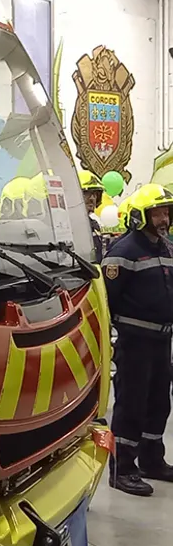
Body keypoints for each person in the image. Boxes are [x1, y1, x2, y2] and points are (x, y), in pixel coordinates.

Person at [102, 183, 173, 495]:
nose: (163, 218)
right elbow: (108, 301)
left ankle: (152, 460)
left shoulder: (166, 247)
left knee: (159, 402)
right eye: (157, 212)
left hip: (161, 341)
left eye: (166, 212)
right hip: (135, 342)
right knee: (131, 403)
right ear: (139, 217)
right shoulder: (122, 253)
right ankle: (122, 469)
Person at [79, 170, 105, 260]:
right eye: (87, 193)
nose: (92, 198)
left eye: (95, 194)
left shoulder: (94, 225)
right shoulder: (66, 227)